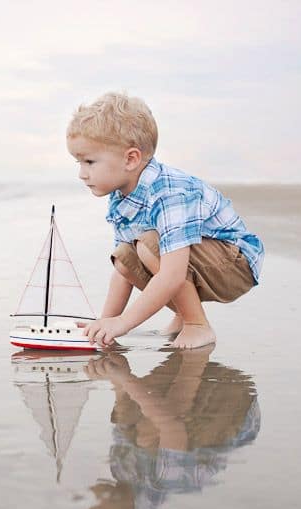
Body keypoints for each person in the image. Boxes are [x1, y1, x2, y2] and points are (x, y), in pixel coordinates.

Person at [66, 91, 264, 349]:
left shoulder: (169, 192)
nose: (82, 174)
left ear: (131, 159)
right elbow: (124, 270)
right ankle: (184, 315)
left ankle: (197, 324)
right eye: (78, 162)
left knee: (149, 246)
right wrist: (107, 324)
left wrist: (125, 322)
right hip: (195, 262)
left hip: (235, 264)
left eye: (90, 161)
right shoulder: (121, 197)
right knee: (127, 254)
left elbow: (172, 273)